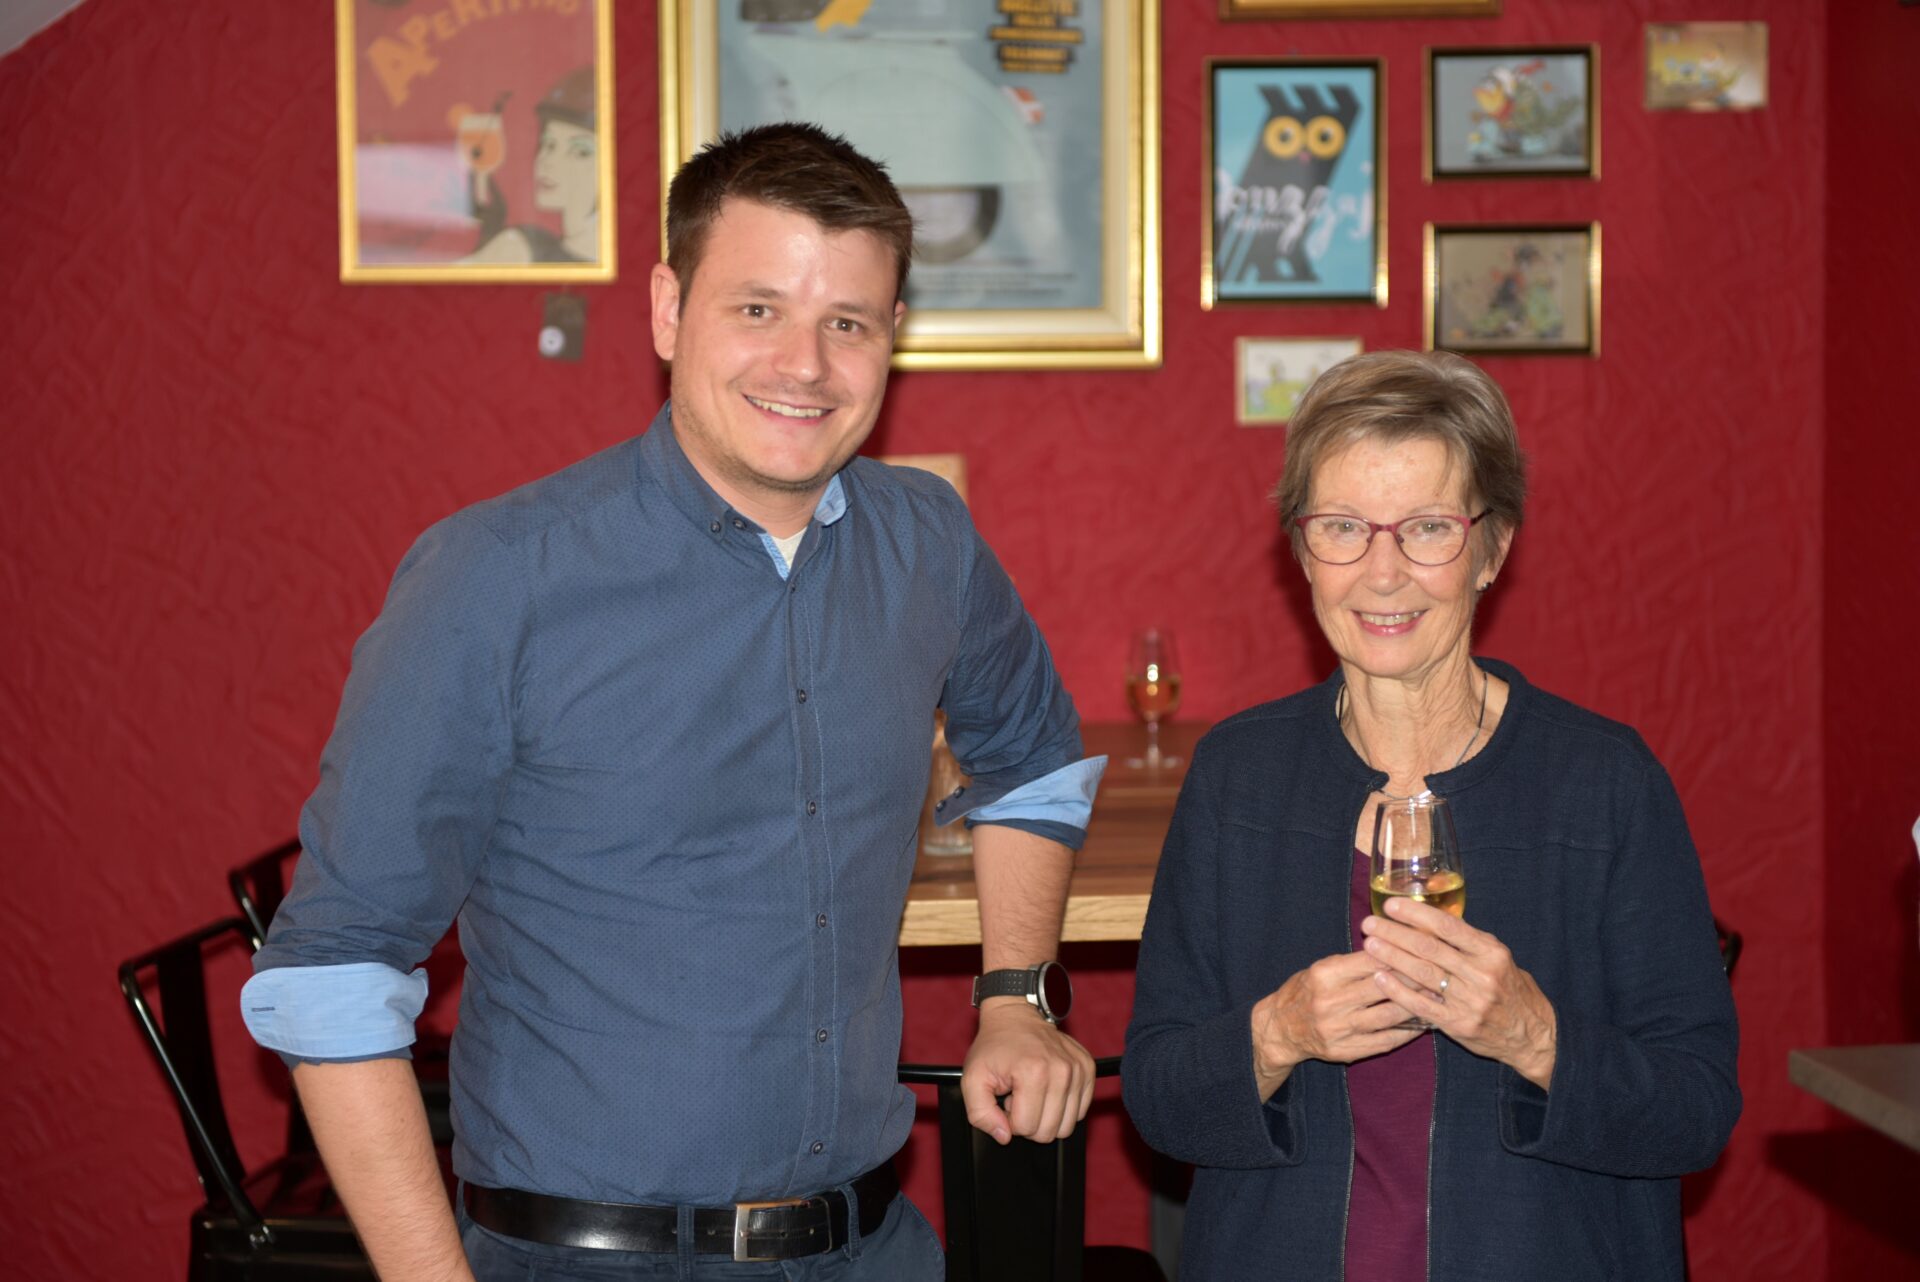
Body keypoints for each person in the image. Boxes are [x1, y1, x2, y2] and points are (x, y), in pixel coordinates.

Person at [243, 122, 1102, 1281]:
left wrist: (1015, 996)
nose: (806, 365)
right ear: (667, 308)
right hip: (589, 1257)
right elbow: (332, 972)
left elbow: (1034, 751)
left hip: (872, 1244)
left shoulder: (928, 543)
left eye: (848, 323)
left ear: (893, 336)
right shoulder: (494, 578)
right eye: (758, 308)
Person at [1123, 350, 1739, 1281]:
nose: (1383, 573)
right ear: (1302, 551)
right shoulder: (1236, 778)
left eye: (1427, 529)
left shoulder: (1605, 783)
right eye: (1343, 527)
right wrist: (1278, 1034)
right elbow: (1158, 1098)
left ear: (1493, 550)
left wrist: (1535, 1037)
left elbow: (1697, 1111)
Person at [465, 67, 600, 264]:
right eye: (549, 144)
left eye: (580, 151)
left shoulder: (520, 249)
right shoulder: (520, 248)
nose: (547, 160)